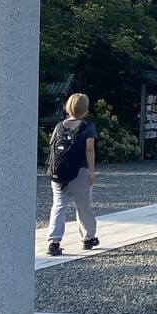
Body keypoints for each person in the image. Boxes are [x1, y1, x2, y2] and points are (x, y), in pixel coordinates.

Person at [46, 92, 99, 256]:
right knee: (83, 206)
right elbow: (89, 149)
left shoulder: (59, 126)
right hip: (79, 172)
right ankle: (88, 238)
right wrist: (91, 170)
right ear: (85, 109)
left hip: (58, 172)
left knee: (59, 205)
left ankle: (54, 241)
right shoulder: (87, 127)